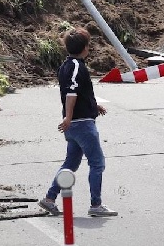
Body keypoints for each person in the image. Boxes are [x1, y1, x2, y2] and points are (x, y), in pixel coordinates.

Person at [38, 28, 118, 217]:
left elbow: (78, 93)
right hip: (81, 124)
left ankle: (49, 199)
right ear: (85, 48)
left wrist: (93, 106)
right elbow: (71, 93)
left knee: (71, 163)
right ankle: (96, 205)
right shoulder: (76, 66)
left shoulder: (67, 65)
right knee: (97, 163)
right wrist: (68, 117)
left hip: (75, 124)